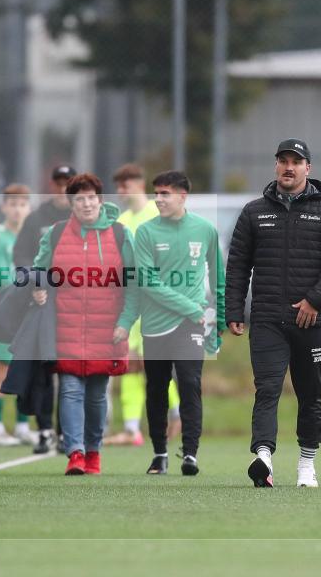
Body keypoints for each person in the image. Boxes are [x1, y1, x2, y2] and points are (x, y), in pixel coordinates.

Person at [225, 138, 321, 488]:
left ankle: (306, 465)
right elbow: (238, 265)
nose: (289, 167)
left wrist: (315, 300)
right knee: (266, 389)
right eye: (283, 160)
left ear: (307, 168)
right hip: (267, 319)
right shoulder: (254, 212)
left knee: (309, 394)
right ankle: (263, 457)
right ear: (276, 166)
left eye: (296, 162)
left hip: (310, 321)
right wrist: (233, 309)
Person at [32, 173, 137, 475]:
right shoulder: (55, 233)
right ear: (71, 203)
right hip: (64, 327)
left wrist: (126, 321)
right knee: (69, 390)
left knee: (96, 396)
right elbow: (38, 270)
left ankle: (94, 451)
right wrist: (37, 288)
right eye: (80, 198)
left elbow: (134, 286)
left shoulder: (119, 234)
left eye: (91, 197)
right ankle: (75, 453)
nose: (86, 203)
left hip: (107, 330)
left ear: (100, 200)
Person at [133, 171, 225, 477]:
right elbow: (147, 281)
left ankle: (190, 455)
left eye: (165, 194)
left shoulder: (204, 230)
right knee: (157, 388)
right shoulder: (145, 233)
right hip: (157, 325)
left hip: (192, 325)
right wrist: (190, 307)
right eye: (156, 194)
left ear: (182, 196)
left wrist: (219, 319)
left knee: (189, 384)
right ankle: (159, 454)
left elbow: (218, 278)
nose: (158, 199)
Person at [106, 163, 181, 447]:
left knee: (154, 365)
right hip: (130, 302)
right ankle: (132, 428)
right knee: (128, 363)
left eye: (124, 186)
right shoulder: (123, 221)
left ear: (138, 184)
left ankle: (175, 413)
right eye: (118, 187)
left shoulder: (157, 214)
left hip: (156, 305)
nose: (121, 192)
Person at [13, 164, 76, 453]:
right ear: (52, 185)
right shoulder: (37, 218)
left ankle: (66, 433)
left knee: (69, 371)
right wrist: (36, 285)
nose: (63, 187)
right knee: (42, 370)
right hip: (42, 303)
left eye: (68, 182)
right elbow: (22, 256)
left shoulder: (81, 216)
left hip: (72, 305)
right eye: (59, 182)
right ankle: (45, 431)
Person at [0, 184, 36, 446]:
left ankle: (23, 426)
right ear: (4, 207)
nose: (17, 209)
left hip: (30, 314)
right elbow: (4, 277)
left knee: (25, 369)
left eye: (22, 204)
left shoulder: (34, 237)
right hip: (6, 315)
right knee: (1, 369)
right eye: (13, 204)